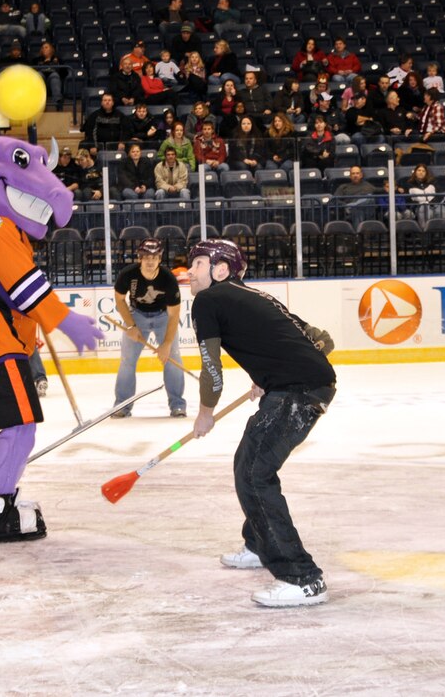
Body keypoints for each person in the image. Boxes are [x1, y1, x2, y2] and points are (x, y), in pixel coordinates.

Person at [187, 238, 336, 607]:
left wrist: (205, 413)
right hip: (302, 385)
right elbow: (322, 340)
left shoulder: (208, 300)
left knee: (254, 473)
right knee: (251, 466)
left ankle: (301, 577)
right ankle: (258, 543)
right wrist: (271, 368)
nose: (190, 271)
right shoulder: (256, 296)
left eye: (199, 264)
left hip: (296, 392)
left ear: (221, 270)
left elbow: (212, 372)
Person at [112, 238, 186, 418]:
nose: (150, 261)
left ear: (160, 258)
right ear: (140, 258)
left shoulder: (168, 279)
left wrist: (167, 344)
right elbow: (120, 300)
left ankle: (177, 405)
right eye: (146, 257)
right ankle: (122, 405)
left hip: (163, 317)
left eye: (154, 257)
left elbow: (174, 314)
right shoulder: (128, 275)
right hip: (137, 315)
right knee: (127, 360)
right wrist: (131, 325)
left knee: (173, 357)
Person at [31, 41, 63, 111]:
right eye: (42, 48)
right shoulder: (36, 60)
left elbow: (64, 73)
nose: (44, 49)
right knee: (39, 75)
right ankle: (39, 103)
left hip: (53, 85)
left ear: (51, 49)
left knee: (54, 75)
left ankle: (58, 102)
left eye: (46, 47)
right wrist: (45, 63)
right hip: (41, 84)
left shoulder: (57, 59)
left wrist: (56, 65)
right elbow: (32, 73)